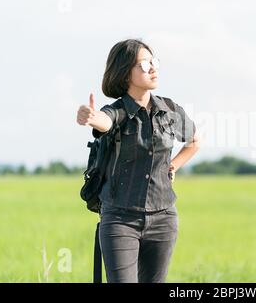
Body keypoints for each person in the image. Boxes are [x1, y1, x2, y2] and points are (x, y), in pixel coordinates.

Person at [76, 38, 200, 283]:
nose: (152, 68)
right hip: (120, 219)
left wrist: (173, 165)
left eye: (153, 62)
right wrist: (91, 117)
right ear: (125, 74)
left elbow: (194, 141)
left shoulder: (170, 109)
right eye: (144, 65)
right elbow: (105, 121)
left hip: (164, 218)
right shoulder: (118, 111)